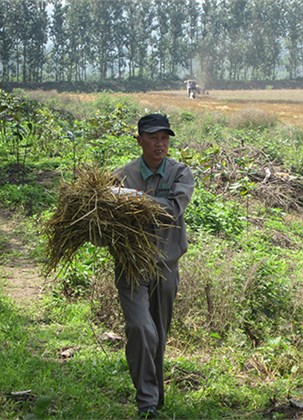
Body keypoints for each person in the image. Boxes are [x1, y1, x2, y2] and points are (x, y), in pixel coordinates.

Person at [112, 113, 195, 418]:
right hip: (131, 266)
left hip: (165, 264)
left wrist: (135, 199)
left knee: (158, 333)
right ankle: (146, 400)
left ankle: (154, 398)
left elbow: (173, 210)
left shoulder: (180, 174)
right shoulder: (121, 176)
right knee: (140, 328)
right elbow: (102, 223)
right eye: (153, 138)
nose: (160, 144)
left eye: (164, 138)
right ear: (139, 141)